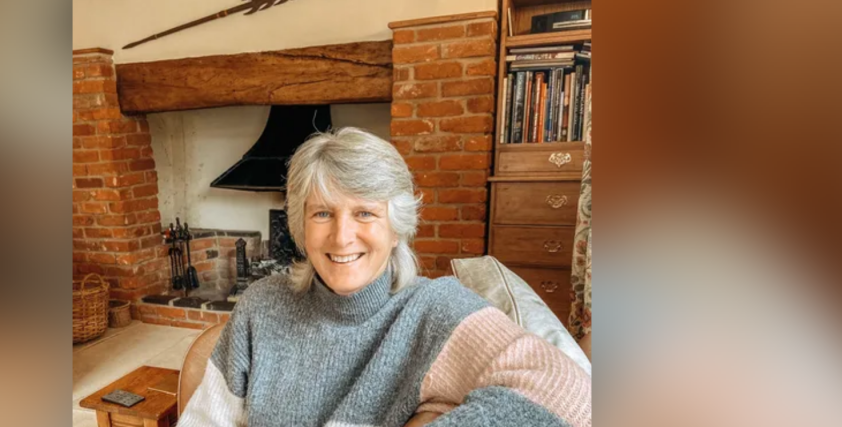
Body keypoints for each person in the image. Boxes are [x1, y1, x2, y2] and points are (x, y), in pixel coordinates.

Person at [178, 127, 591, 426]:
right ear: (301, 227)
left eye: (365, 213)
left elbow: (569, 392)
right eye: (323, 213)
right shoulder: (263, 304)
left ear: (395, 228)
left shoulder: (434, 309)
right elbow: (204, 421)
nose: (341, 236)